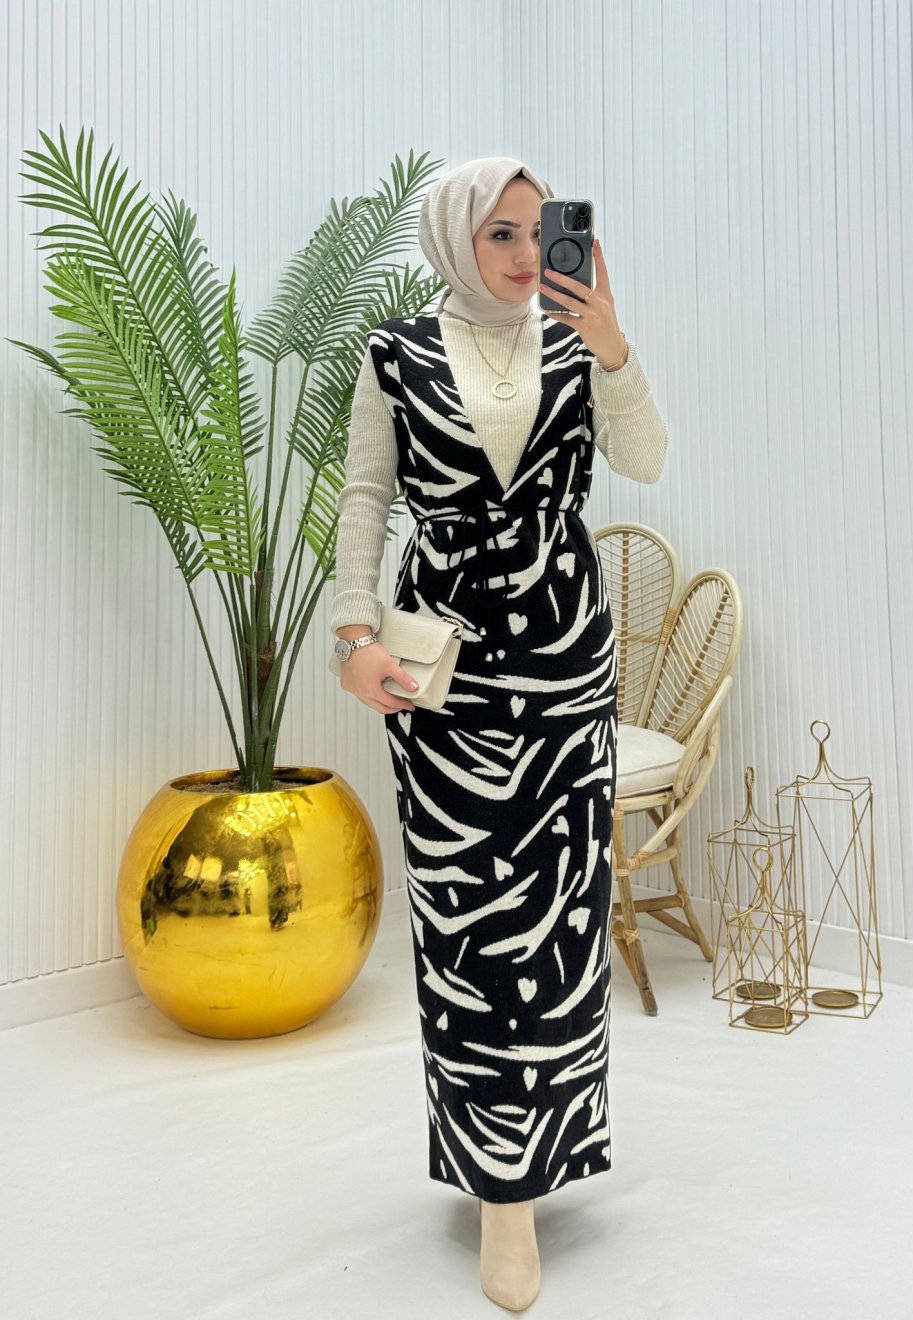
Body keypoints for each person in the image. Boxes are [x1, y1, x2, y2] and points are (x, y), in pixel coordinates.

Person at [330, 156, 669, 1312]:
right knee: (468, 929)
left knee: (563, 920)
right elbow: (365, 500)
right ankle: (499, 1196)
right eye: (501, 234)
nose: (528, 255)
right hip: (444, 674)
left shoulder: (576, 344)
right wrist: (352, 636)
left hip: (567, 663)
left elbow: (645, 462)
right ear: (453, 239)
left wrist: (614, 348)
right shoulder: (394, 353)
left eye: (539, 231)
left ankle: (545, 1154)